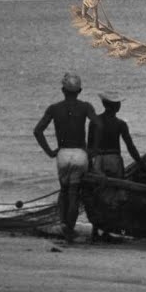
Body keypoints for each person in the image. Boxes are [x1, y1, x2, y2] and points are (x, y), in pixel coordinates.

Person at [34, 73, 101, 242]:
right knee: (74, 194)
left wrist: (50, 152)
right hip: (80, 154)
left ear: (63, 90)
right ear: (80, 91)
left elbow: (38, 131)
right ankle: (69, 228)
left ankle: (64, 225)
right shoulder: (86, 106)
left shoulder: (54, 108)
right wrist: (93, 150)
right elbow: (98, 124)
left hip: (63, 154)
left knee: (64, 191)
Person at [88, 91, 145, 242]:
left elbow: (89, 146)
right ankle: (106, 231)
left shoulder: (94, 122)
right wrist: (141, 163)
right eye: (118, 103)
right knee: (113, 196)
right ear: (116, 107)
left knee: (97, 194)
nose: (119, 105)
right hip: (114, 159)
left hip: (98, 159)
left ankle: (95, 231)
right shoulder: (120, 124)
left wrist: (89, 165)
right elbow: (130, 146)